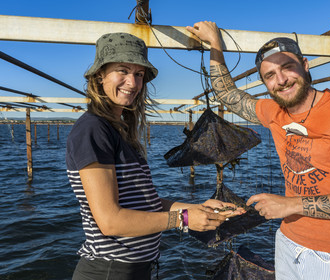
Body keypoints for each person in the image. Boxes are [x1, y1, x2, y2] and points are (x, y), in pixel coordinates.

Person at [187, 22, 330, 280]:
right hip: (288, 243)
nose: (281, 80)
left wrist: (290, 205)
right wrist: (215, 44)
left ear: (305, 66)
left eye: (287, 67)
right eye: (269, 75)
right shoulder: (274, 113)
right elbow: (228, 94)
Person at [66, 32, 244, 280]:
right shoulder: (92, 128)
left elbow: (144, 204)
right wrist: (183, 219)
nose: (132, 82)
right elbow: (110, 222)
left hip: (135, 269)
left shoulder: (118, 130)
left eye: (139, 74)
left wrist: (198, 208)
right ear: (99, 75)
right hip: (109, 271)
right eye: (123, 71)